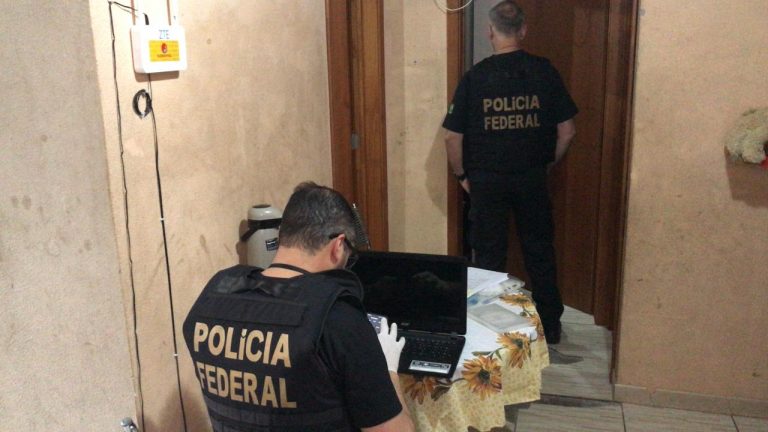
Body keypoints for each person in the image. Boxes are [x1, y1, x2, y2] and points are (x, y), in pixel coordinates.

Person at [183, 182, 415, 432]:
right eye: (350, 256)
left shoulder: (213, 297)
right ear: (338, 246)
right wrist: (389, 369)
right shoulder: (338, 317)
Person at [442, 0, 578, 344]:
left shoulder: (475, 78)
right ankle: (550, 326)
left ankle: (489, 331)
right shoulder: (544, 72)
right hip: (531, 176)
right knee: (539, 251)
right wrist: (547, 163)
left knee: (489, 257)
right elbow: (567, 131)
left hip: (487, 181)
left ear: (490, 32)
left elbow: (451, 137)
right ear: (523, 30)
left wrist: (461, 177)